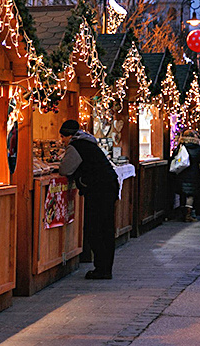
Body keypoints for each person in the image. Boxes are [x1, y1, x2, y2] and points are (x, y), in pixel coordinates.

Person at [58, 120, 119, 280]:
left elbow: (65, 169)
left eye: (63, 137)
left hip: (98, 189)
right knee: (105, 228)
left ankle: (102, 269)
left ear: (69, 135)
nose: (62, 140)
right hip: (108, 186)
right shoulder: (88, 142)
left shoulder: (75, 146)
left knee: (95, 228)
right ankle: (105, 267)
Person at [174, 130, 200, 222]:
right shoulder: (197, 147)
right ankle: (188, 213)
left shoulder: (181, 146)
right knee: (190, 194)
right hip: (194, 173)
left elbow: (175, 157)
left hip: (181, 172)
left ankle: (182, 214)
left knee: (182, 193)